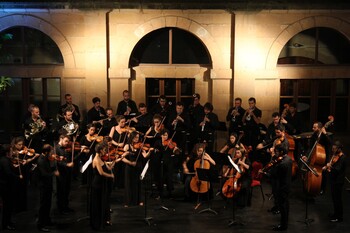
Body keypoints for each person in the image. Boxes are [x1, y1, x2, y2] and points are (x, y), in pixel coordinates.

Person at [122, 131, 153, 206]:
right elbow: (122, 158)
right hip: (129, 167)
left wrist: (149, 151)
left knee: (138, 183)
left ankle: (138, 200)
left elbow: (145, 156)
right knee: (129, 184)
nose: (137, 139)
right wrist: (130, 162)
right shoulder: (127, 146)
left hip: (138, 167)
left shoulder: (140, 146)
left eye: (138, 137)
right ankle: (128, 202)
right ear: (131, 137)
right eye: (135, 137)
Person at [9, 136, 39, 212]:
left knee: (23, 190)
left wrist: (30, 160)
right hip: (16, 173)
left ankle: (23, 207)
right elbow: (11, 162)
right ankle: (16, 207)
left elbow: (31, 156)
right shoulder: (11, 152)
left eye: (22, 144)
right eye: (19, 144)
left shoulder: (24, 151)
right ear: (15, 144)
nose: (21, 146)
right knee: (16, 190)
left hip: (24, 172)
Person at [90, 142, 115, 230]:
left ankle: (103, 221)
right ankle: (97, 224)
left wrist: (115, 161)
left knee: (103, 203)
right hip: (97, 184)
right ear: (100, 150)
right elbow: (101, 173)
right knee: (98, 204)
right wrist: (111, 176)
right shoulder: (96, 159)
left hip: (102, 183)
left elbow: (108, 168)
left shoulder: (101, 158)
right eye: (104, 150)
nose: (106, 151)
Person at [268, 144, 293, 231]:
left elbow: (274, 174)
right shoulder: (289, 159)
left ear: (282, 152)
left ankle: (283, 226)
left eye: (277, 152)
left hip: (282, 187)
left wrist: (267, 172)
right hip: (287, 186)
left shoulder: (282, 164)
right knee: (286, 205)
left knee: (283, 207)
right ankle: (284, 223)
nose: (275, 153)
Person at [36, 144, 59, 232]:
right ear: (46, 152)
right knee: (43, 206)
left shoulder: (45, 158)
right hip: (43, 186)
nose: (52, 153)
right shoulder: (41, 160)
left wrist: (54, 166)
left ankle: (47, 221)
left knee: (48, 204)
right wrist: (54, 173)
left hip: (48, 185)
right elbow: (44, 174)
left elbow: (49, 168)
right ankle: (40, 225)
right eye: (50, 151)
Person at [322, 140, 346, 223]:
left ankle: (339, 217)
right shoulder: (335, 155)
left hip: (338, 182)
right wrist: (327, 166)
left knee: (338, 200)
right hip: (333, 180)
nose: (333, 150)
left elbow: (337, 170)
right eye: (333, 149)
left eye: (335, 149)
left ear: (339, 149)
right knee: (334, 199)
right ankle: (335, 214)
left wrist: (330, 167)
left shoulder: (342, 158)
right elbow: (331, 165)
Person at [0, 144, 23, 231]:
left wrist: (14, 167)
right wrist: (18, 177)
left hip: (6, 185)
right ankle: (5, 224)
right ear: (7, 152)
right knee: (7, 206)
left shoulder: (5, 160)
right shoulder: (5, 160)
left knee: (8, 206)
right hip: (5, 186)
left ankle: (8, 222)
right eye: (10, 151)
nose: (12, 152)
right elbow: (8, 173)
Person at [153, 129, 180, 198]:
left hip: (169, 162)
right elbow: (155, 150)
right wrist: (155, 150)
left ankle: (170, 193)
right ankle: (160, 193)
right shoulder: (157, 142)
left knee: (169, 177)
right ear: (161, 135)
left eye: (167, 135)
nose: (166, 136)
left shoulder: (170, 143)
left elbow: (176, 152)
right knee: (160, 177)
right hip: (160, 161)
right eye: (164, 135)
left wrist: (175, 149)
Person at [55, 134, 74, 214]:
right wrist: (66, 164)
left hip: (67, 173)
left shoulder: (66, 149)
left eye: (68, 142)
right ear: (61, 139)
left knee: (66, 191)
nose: (67, 143)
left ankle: (66, 207)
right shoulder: (56, 149)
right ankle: (61, 209)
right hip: (61, 173)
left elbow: (70, 160)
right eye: (66, 141)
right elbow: (57, 162)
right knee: (61, 192)